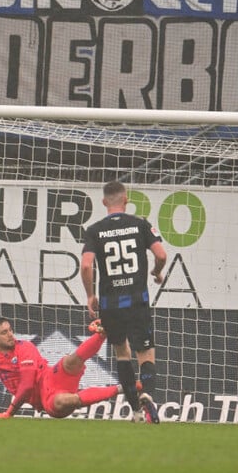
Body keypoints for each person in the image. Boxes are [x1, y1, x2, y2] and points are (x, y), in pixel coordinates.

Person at [80, 180, 167, 424]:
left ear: (104, 202)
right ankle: (147, 393)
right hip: (137, 299)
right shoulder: (140, 224)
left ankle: (136, 412)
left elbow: (86, 266)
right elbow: (161, 254)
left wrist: (90, 295)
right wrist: (156, 272)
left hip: (111, 303)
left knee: (121, 353)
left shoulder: (95, 230)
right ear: (126, 199)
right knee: (145, 352)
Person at [0, 317, 120, 418]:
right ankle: (120, 388)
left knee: (69, 361)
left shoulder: (24, 347)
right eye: (4, 333)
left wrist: (9, 413)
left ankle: (102, 334)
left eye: (10, 330)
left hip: (52, 377)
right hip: (45, 398)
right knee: (62, 401)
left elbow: (27, 385)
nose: (10, 335)